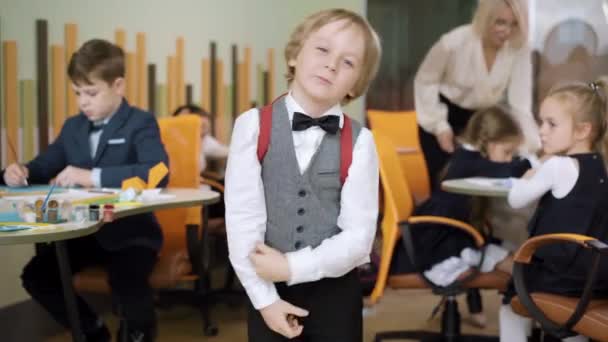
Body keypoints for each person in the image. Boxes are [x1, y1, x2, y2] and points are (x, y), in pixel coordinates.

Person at [224, 8, 381, 341]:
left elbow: (359, 238)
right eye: (322, 49)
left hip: (336, 294)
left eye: (348, 62)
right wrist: (265, 301)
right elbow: (242, 221)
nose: (332, 64)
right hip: (267, 287)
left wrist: (292, 267)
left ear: (356, 84)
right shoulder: (252, 126)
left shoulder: (362, 142)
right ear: (295, 55)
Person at [1, 39, 169, 342]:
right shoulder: (72, 128)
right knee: (37, 276)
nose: (83, 102)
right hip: (84, 232)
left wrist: (92, 175)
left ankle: (139, 333)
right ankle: (92, 330)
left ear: (118, 85)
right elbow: (42, 166)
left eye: (91, 93)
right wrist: (18, 173)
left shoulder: (140, 123)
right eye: (77, 93)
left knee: (127, 279)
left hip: (132, 234)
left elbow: (157, 173)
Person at [391, 105, 532, 328]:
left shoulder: (467, 157)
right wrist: (527, 166)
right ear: (488, 143)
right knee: (517, 267)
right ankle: (535, 303)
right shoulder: (470, 162)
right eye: (507, 152)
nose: (509, 159)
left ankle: (530, 297)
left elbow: (498, 167)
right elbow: (503, 171)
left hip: (449, 237)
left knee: (512, 254)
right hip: (440, 248)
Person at [500, 77, 608, 342]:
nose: (542, 131)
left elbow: (515, 199)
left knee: (511, 296)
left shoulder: (558, 166)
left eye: (552, 124)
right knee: (575, 319)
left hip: (562, 278)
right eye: (541, 122)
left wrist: (530, 173)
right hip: (598, 278)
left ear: (583, 130)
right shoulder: (602, 167)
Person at [414, 0, 539, 190]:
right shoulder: (453, 43)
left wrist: (531, 147)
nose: (507, 31)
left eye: (514, 24)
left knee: (482, 184)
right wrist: (439, 126)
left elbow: (520, 104)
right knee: (446, 184)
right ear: (485, 18)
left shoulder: (518, 48)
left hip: (481, 122)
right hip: (443, 114)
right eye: (500, 22)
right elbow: (425, 81)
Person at [172, 104, 229, 174]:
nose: (201, 121)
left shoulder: (206, 140)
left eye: (202, 116)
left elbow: (223, 151)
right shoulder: (175, 142)